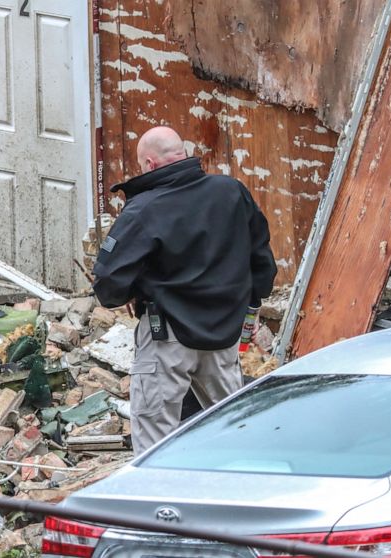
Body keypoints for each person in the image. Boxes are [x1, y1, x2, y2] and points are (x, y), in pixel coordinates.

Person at [92, 126, 276, 456]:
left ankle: (159, 505)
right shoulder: (231, 192)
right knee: (234, 430)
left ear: (149, 164)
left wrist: (135, 290)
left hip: (168, 337)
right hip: (224, 335)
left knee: (154, 441)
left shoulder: (144, 209)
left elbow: (108, 283)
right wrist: (250, 302)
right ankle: (235, 500)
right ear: (183, 153)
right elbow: (261, 255)